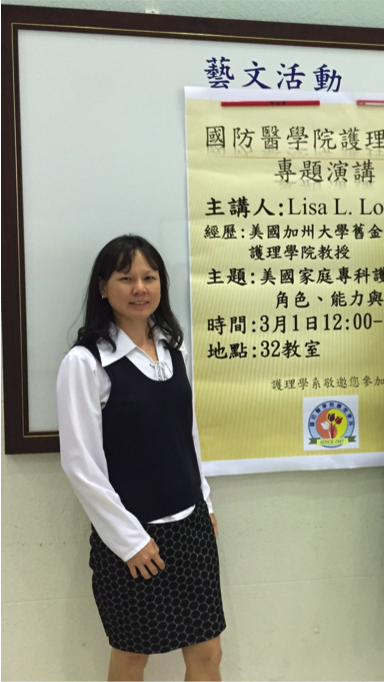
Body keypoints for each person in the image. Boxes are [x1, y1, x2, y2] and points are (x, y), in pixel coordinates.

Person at [57, 235, 225, 682]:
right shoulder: (85, 363)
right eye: (125, 278)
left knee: (208, 652)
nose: (139, 288)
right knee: (132, 658)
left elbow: (186, 437)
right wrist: (129, 540)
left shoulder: (175, 351)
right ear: (102, 287)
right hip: (131, 540)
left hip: (191, 528)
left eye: (149, 277)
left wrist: (204, 502)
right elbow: (81, 465)